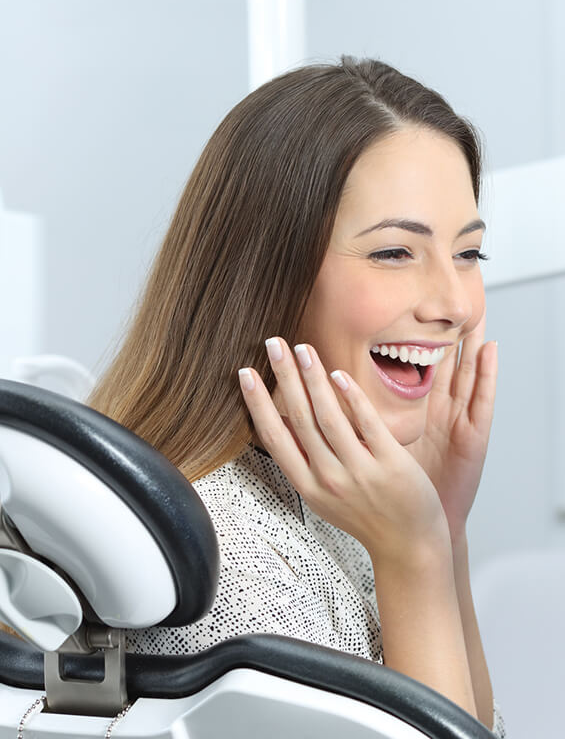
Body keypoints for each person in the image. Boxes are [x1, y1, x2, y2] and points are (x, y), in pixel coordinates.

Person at [89, 57, 504, 734]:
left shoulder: (352, 501)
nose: (455, 303)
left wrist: (444, 527)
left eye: (468, 254)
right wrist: (417, 555)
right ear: (265, 276)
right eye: (395, 253)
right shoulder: (224, 564)